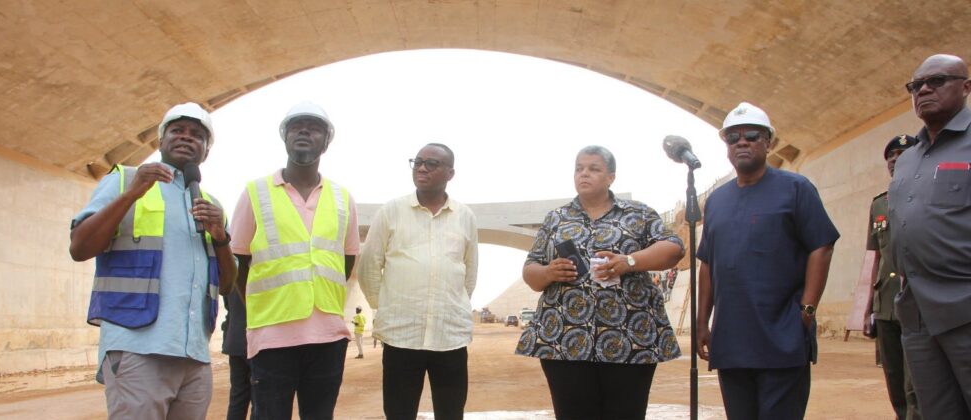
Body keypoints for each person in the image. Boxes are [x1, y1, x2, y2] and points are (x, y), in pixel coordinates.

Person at [69, 103, 236, 419]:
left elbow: (227, 285)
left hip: (194, 356)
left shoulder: (210, 204)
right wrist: (132, 194)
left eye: (197, 135)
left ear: (206, 151)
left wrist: (221, 237)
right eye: (177, 131)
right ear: (160, 142)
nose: (186, 138)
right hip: (137, 348)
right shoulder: (125, 179)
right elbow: (80, 247)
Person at [514, 145, 684, 420]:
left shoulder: (638, 214)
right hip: (565, 343)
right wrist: (549, 272)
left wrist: (629, 261)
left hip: (629, 339)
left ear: (611, 177)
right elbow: (530, 270)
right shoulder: (556, 219)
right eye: (579, 169)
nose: (584, 174)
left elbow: (674, 248)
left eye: (594, 169)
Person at [695, 102, 839, 420]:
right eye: (733, 138)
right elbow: (707, 262)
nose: (742, 142)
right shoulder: (717, 201)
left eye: (751, 135)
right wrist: (702, 322)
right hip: (732, 339)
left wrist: (807, 310)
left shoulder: (796, 188)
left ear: (768, 142)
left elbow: (821, 246)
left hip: (782, 334)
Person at [228, 101, 360, 419]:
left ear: (326, 142)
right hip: (271, 337)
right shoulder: (255, 192)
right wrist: (268, 306)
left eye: (313, 127)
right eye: (296, 126)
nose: (303, 131)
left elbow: (346, 260)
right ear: (285, 137)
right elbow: (238, 264)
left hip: (328, 337)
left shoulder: (343, 199)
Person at [358, 143, 479, 420]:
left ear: (450, 173)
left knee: (451, 412)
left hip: (450, 337)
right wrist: (387, 306)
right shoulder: (391, 211)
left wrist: (451, 305)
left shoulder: (465, 216)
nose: (422, 168)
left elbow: (468, 272)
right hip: (401, 336)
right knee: (399, 413)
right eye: (418, 161)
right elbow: (369, 267)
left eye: (432, 163)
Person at [889, 54, 971, 420]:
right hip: (917, 315)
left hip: (965, 308)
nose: (923, 89)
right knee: (936, 412)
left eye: (936, 81)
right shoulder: (907, 160)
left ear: (966, 87)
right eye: (915, 86)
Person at [862, 134, 921, 420]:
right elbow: (873, 258)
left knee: (917, 385)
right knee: (895, 380)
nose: (894, 159)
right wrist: (865, 310)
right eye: (890, 156)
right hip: (886, 305)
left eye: (902, 153)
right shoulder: (879, 205)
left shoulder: (930, 195)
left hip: (921, 304)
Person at [222, 289, 253, 420]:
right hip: (255, 340)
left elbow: (228, 306)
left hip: (235, 339)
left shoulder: (234, 269)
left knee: (238, 398)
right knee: (260, 400)